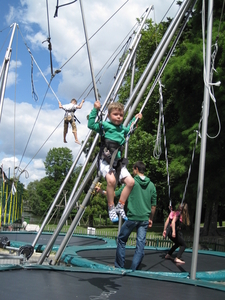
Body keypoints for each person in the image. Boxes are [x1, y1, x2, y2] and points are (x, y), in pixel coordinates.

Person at [88, 100, 142, 222]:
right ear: (109, 116)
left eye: (121, 115)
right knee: (111, 180)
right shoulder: (105, 126)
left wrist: (136, 118)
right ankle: (111, 207)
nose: (118, 117)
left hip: (117, 162)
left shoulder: (122, 129)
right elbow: (91, 125)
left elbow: (130, 129)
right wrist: (95, 109)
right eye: (115, 114)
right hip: (105, 160)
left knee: (131, 182)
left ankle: (120, 205)